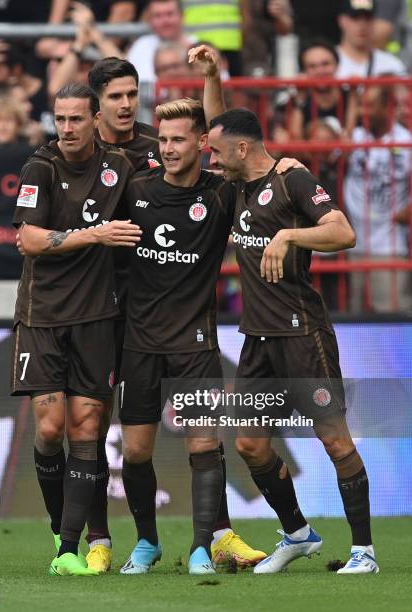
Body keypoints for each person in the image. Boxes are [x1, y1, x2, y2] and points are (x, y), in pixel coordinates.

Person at [207, 107, 379, 574]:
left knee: (336, 442)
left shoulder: (293, 180)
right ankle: (299, 534)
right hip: (258, 340)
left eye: (218, 153)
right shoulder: (238, 182)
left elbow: (343, 231)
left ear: (242, 149)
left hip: (302, 335)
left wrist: (289, 235)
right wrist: (208, 76)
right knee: (249, 444)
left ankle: (364, 551)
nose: (212, 162)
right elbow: (220, 124)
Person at [118, 98, 269, 575]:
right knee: (137, 451)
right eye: (162, 139)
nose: (167, 148)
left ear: (202, 144)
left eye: (178, 139)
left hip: (196, 343)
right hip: (139, 342)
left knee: (204, 445)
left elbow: (235, 136)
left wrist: (209, 80)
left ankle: (203, 547)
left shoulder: (219, 194)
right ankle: (147, 543)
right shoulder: (135, 188)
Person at [11, 82, 144, 577]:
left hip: (97, 318)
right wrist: (96, 234)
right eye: (59, 119)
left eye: (75, 119)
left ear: (95, 120)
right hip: (42, 316)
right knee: (49, 429)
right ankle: (57, 524)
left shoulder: (119, 167)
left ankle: (70, 548)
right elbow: (28, 238)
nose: (66, 128)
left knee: (87, 429)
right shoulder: (39, 167)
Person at [345, 83, 412, 312]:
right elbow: (329, 157)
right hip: (351, 244)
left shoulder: (406, 142)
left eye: (370, 106)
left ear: (387, 107)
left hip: (389, 246)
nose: (365, 112)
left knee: (392, 314)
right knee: (353, 316)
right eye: (362, 106)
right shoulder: (354, 136)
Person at [127, 0, 196, 84]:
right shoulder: (140, 47)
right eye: (158, 16)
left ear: (182, 15)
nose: (165, 21)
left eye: (169, 14)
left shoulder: (197, 47)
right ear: (149, 19)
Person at [336, 0, 406, 77]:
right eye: (355, 18)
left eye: (368, 18)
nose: (362, 25)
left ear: (374, 22)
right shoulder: (325, 62)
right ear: (341, 20)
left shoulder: (392, 65)